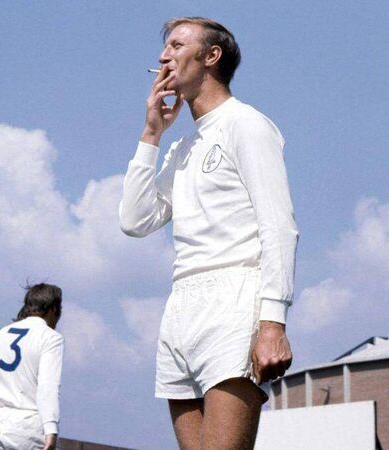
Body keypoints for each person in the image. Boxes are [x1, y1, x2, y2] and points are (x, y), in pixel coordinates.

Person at [119, 17, 298, 449]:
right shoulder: (182, 148)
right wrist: (151, 133)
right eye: (164, 47)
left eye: (177, 45)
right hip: (181, 307)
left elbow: (279, 225)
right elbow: (135, 220)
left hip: (233, 301)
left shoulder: (246, 124)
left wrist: (272, 323)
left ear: (211, 56)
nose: (163, 56)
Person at [0, 283, 65, 450]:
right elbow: (48, 387)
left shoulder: (2, 333)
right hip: (28, 426)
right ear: (54, 309)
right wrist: (51, 428)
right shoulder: (51, 338)